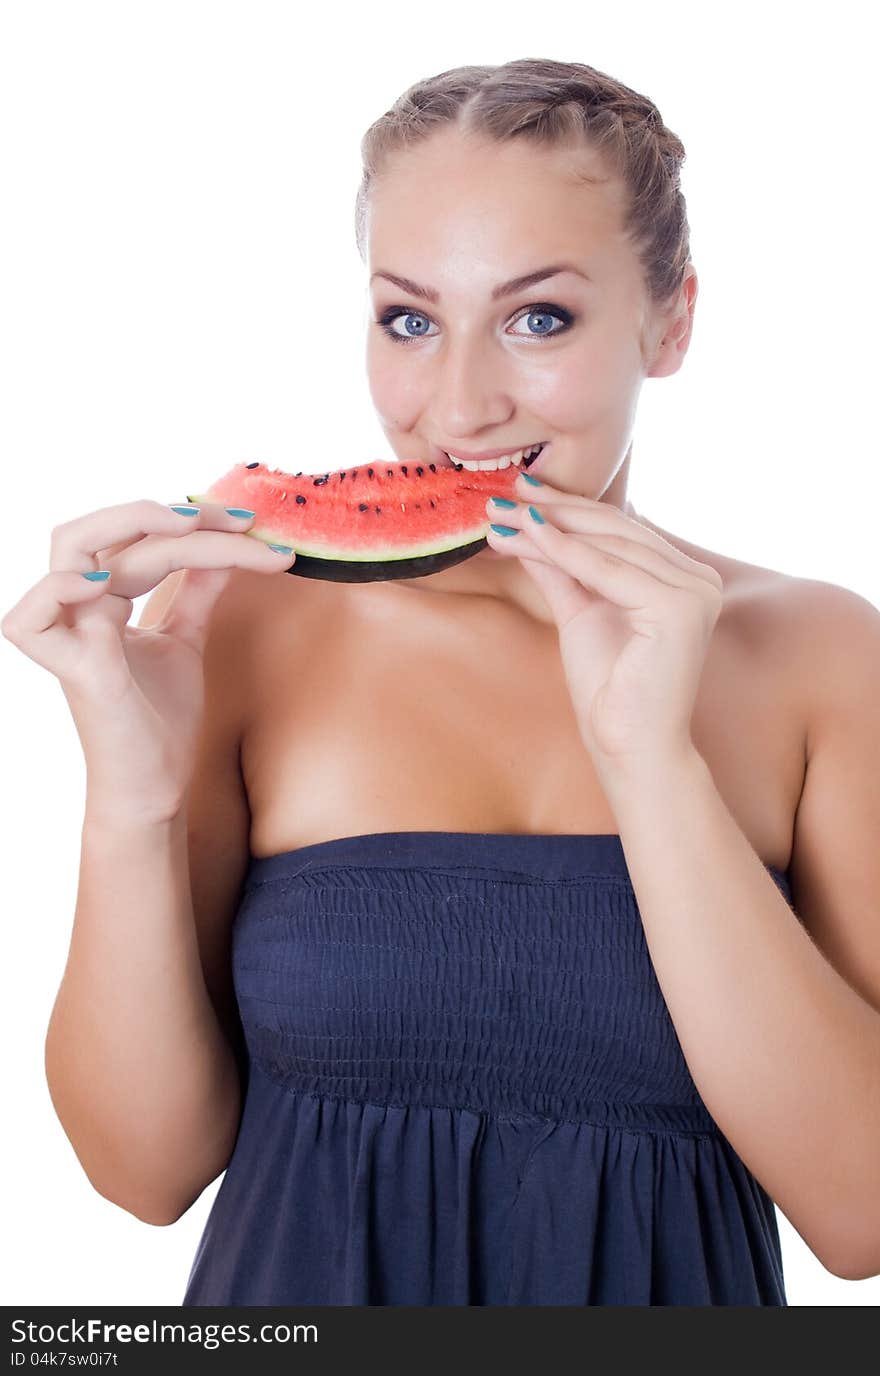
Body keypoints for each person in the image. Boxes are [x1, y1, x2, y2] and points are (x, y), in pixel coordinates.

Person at [4, 57, 880, 1307]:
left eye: (538, 318)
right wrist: (129, 792)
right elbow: (140, 1172)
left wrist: (649, 759)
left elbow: (861, 1213)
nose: (459, 404)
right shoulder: (241, 628)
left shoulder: (818, 656)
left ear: (671, 320)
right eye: (409, 319)